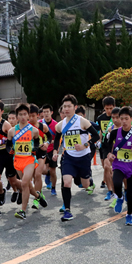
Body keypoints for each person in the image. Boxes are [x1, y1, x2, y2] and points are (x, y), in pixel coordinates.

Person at [52, 94, 100, 222]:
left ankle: (88, 181)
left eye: (69, 106)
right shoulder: (60, 125)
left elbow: (96, 136)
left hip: (83, 157)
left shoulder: (82, 121)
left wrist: (85, 145)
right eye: (64, 107)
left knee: (84, 185)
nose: (66, 109)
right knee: (66, 182)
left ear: (75, 107)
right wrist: (55, 151)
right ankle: (67, 211)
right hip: (69, 157)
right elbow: (57, 138)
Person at [7, 103, 48, 220]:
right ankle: (37, 196)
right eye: (20, 114)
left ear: (28, 116)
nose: (23, 117)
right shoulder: (11, 131)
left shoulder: (34, 131)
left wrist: (34, 150)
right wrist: (11, 151)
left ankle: (23, 210)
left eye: (25, 114)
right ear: (17, 116)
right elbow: (8, 146)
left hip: (29, 160)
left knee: (25, 183)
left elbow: (35, 143)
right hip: (17, 160)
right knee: (28, 186)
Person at [106, 106, 132, 226]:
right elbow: (106, 146)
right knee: (116, 183)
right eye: (121, 118)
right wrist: (109, 153)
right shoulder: (114, 132)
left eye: (126, 118)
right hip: (119, 164)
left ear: (131, 119)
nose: (123, 121)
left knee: (131, 192)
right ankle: (119, 197)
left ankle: (129, 214)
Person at [0, 100, 22, 218]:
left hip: (8, 155)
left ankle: (23, 190)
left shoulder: (6, 125)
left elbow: (13, 140)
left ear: (2, 112)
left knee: (13, 181)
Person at [97, 96, 115, 193]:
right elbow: (100, 131)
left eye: (111, 108)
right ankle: (109, 182)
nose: (109, 111)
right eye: (106, 108)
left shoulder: (117, 117)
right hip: (104, 144)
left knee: (110, 165)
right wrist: (99, 140)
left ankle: (112, 184)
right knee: (105, 166)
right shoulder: (100, 118)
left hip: (115, 144)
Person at [41, 104, 59, 195]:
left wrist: (50, 143)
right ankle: (47, 174)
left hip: (52, 150)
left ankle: (53, 188)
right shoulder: (39, 123)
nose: (46, 114)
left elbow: (58, 139)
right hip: (42, 150)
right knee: (42, 170)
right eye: (44, 112)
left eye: (47, 112)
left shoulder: (56, 125)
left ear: (51, 112)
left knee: (53, 171)